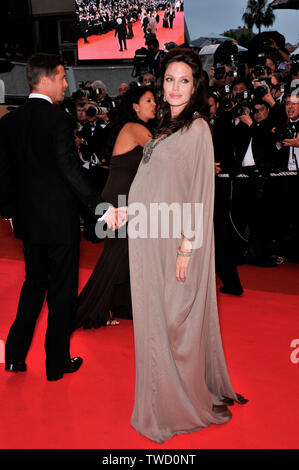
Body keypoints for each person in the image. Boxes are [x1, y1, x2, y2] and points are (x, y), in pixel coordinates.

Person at [128, 48, 247, 444]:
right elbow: (154, 184)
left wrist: (186, 248)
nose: (175, 88)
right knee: (155, 320)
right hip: (149, 237)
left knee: (176, 323)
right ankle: (162, 398)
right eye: (169, 80)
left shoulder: (197, 128)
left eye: (184, 80)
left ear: (195, 87)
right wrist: (126, 213)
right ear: (160, 85)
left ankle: (178, 401)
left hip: (176, 241)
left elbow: (198, 194)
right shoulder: (165, 124)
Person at [0, 53, 126, 381]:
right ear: (47, 79)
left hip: (28, 223)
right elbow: (70, 171)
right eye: (62, 77)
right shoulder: (57, 120)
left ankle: (14, 356)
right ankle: (56, 364)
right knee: (62, 293)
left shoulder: (9, 122)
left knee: (33, 285)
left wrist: (10, 213)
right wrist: (101, 207)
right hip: (58, 222)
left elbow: (4, 174)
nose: (66, 84)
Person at [73, 86, 156, 329]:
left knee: (128, 256)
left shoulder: (140, 129)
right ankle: (90, 310)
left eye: (155, 100)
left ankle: (120, 304)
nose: (155, 104)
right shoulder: (135, 128)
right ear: (135, 106)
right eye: (149, 100)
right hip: (118, 203)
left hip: (126, 201)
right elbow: (163, 156)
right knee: (115, 257)